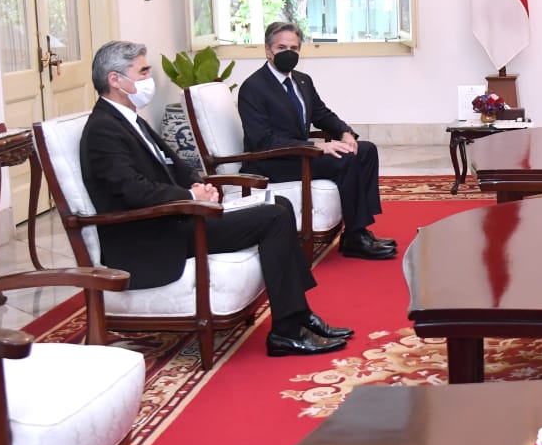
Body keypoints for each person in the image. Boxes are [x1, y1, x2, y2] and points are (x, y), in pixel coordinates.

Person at [80, 41, 352, 358]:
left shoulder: (130, 120)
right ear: (115, 80)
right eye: (142, 71)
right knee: (273, 217)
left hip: (175, 217)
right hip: (153, 235)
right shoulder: (103, 130)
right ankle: (286, 332)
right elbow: (131, 189)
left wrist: (201, 185)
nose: (148, 78)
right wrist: (188, 196)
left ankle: (298, 314)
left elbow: (173, 166)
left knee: (280, 206)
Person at [237, 21, 396, 260]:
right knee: (342, 159)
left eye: (294, 48)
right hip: (272, 161)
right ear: (268, 51)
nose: (288, 53)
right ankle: (355, 236)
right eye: (282, 48)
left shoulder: (302, 80)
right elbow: (264, 141)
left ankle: (358, 230)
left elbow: (322, 114)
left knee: (365, 150)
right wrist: (317, 146)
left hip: (300, 154)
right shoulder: (253, 87)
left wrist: (345, 133)